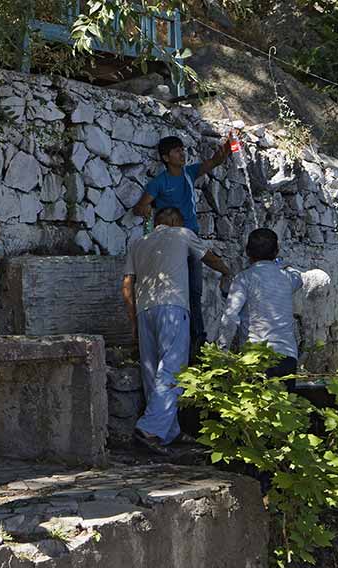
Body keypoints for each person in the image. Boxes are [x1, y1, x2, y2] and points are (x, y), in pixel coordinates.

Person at [122, 207, 232, 456]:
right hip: (172, 306)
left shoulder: (138, 242)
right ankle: (149, 429)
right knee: (173, 368)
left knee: (151, 371)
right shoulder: (182, 233)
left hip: (144, 311)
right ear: (173, 221)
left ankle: (168, 431)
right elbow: (209, 257)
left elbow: (127, 284)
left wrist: (132, 321)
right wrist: (227, 271)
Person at [133, 134, 234, 355]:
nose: (182, 154)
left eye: (182, 150)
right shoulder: (159, 182)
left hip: (191, 237)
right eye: (177, 151)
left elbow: (214, 161)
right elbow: (140, 207)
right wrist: (149, 211)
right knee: (177, 291)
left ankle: (197, 340)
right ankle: (184, 340)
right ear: (166, 157)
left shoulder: (189, 173)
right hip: (170, 242)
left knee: (195, 292)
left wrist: (227, 146)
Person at [216, 228, 303, 390]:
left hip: (254, 356)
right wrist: (285, 265)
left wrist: (222, 351)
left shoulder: (244, 278)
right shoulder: (286, 278)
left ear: (247, 252)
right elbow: (298, 277)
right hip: (287, 356)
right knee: (284, 411)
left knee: (253, 410)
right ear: (276, 251)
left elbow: (230, 317)